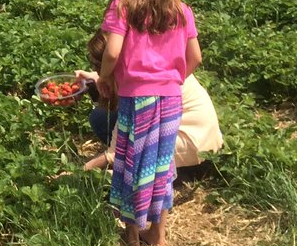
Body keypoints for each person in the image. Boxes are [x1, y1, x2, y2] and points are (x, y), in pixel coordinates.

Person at [95, 0, 201, 246]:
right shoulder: (180, 10)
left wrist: (104, 77)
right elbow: (195, 56)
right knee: (161, 164)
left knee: (132, 162)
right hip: (170, 99)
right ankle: (157, 234)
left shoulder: (122, 6)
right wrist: (171, 79)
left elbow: (113, 51)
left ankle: (132, 235)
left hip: (136, 98)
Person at [77, 32, 222, 178]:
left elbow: (115, 152)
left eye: (97, 65)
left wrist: (78, 172)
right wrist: (95, 80)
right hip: (183, 129)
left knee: (122, 176)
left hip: (193, 142)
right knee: (101, 117)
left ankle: (174, 173)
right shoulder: (144, 64)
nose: (96, 70)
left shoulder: (142, 89)